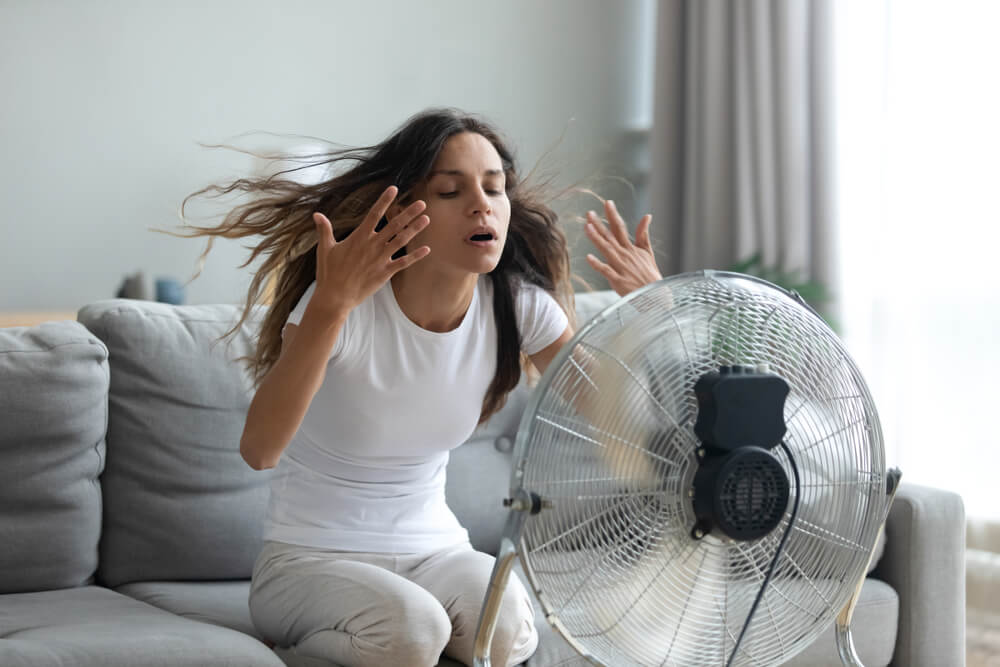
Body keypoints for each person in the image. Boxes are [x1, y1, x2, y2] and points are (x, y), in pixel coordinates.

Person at [182, 108, 662, 667]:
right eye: (451, 191)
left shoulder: (519, 307)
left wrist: (655, 314)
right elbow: (259, 450)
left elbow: (625, 431)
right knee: (413, 631)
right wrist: (330, 308)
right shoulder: (342, 303)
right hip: (311, 560)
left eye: (495, 188)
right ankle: (297, 646)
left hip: (436, 551)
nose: (483, 204)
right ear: (404, 207)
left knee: (506, 631)